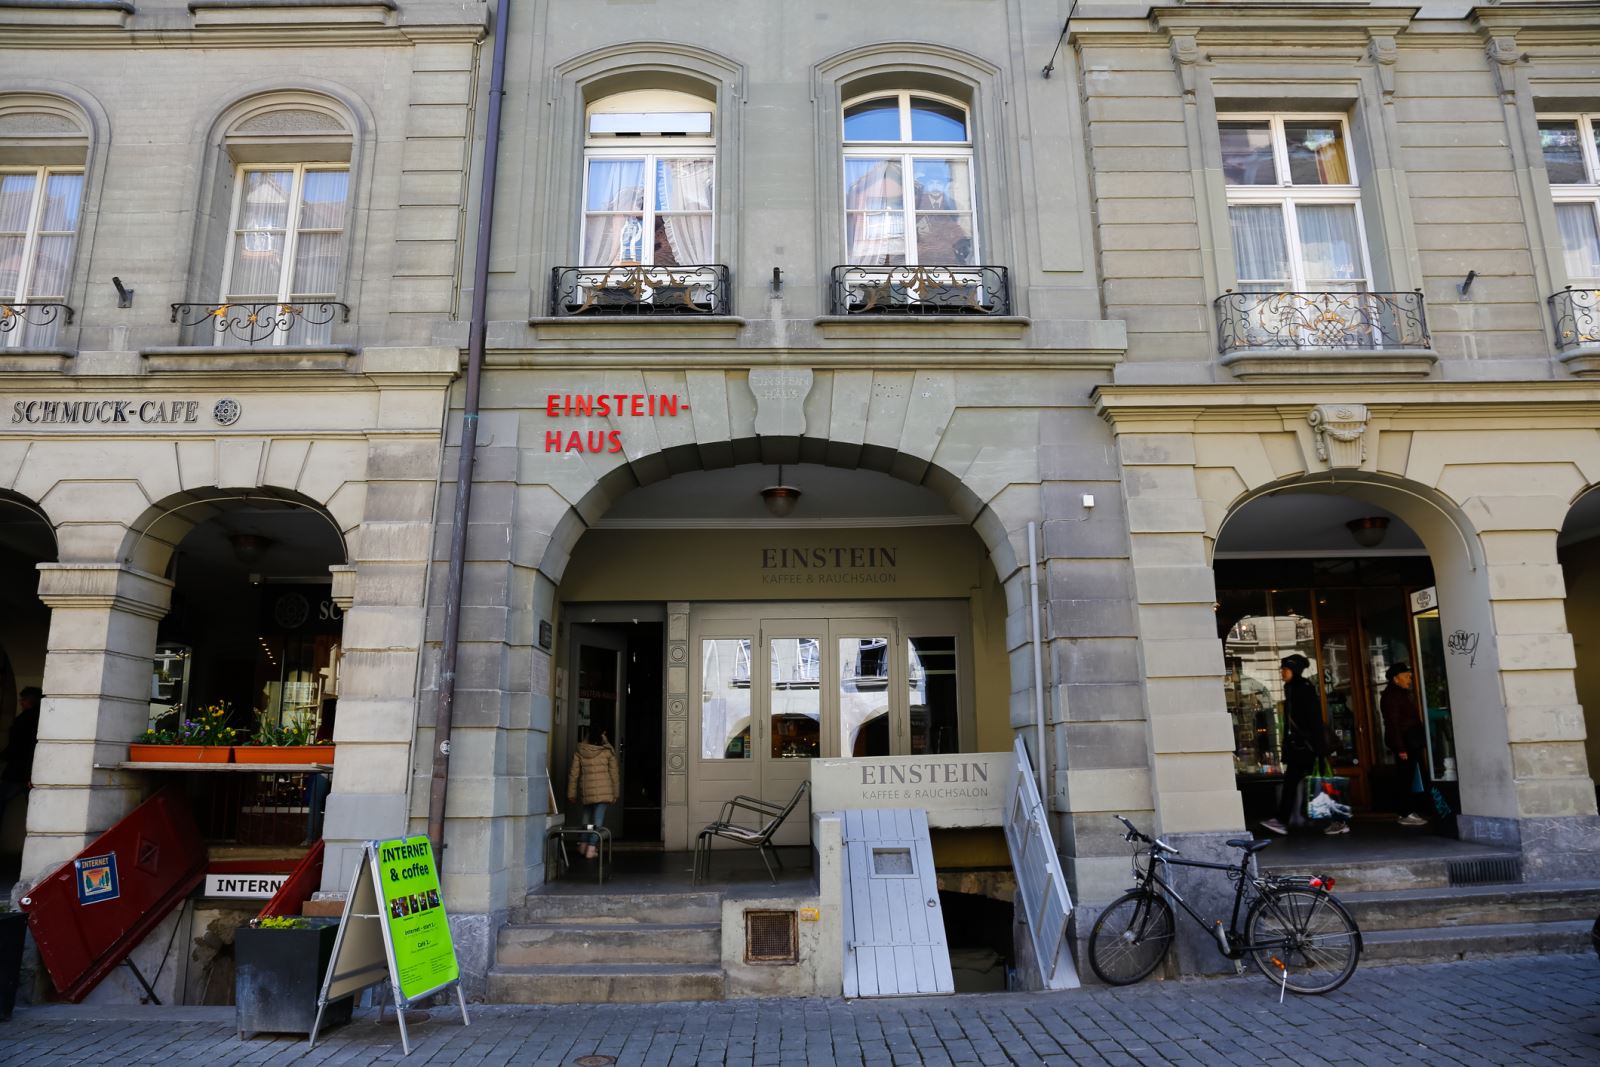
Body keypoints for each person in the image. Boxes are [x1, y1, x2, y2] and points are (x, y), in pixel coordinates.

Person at [1260, 656, 1339, 835]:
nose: (1282, 672)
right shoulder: (1292, 688)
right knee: (1295, 783)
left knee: (1318, 784)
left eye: (1285, 669)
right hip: (1299, 747)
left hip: (1308, 748)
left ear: (1294, 671)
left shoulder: (1304, 689)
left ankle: (1335, 820)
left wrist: (1319, 749)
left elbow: (1314, 720)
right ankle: (1282, 820)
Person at [1381, 664, 1430, 827]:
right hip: (1405, 743)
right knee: (1406, 777)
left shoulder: (1401, 694)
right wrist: (1401, 748)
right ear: (1396, 678)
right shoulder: (1392, 696)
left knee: (1412, 776)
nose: (1410, 678)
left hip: (1410, 741)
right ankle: (1405, 812)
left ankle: (1412, 810)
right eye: (1406, 675)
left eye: (1410, 675)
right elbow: (1393, 724)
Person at [566, 730, 619, 859]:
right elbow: (614, 775)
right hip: (604, 792)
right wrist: (615, 793)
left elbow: (573, 774)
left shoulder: (580, 751)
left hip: (587, 792)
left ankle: (583, 845)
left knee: (586, 819)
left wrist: (571, 793)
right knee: (597, 821)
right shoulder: (607, 752)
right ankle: (591, 848)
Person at [0, 687, 41, 813]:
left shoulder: (24, 720)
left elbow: (17, 745)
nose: (21, 702)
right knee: (36, 809)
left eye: (23, 699)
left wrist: (3, 756)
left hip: (18, 771)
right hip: (35, 771)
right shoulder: (43, 718)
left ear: (30, 701)